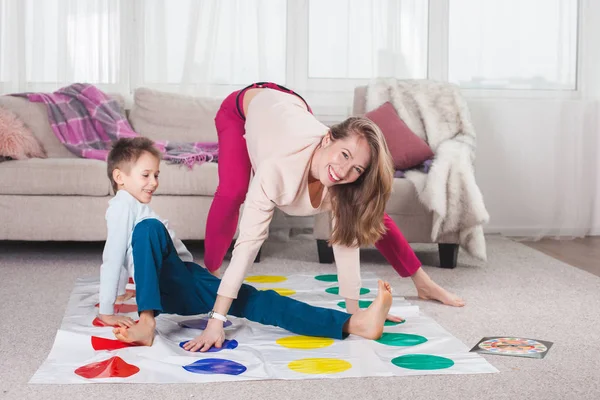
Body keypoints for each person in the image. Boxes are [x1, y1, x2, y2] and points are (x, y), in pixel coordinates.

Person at [197, 82, 465, 351]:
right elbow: (248, 245)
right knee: (233, 192)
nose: (343, 171)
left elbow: (345, 240)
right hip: (243, 107)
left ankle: (424, 283)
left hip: (292, 104)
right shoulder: (275, 171)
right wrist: (216, 319)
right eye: (344, 155)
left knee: (364, 210)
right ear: (328, 139)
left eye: (356, 168)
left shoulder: (341, 172)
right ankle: (210, 272)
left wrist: (356, 311)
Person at [97, 137, 394, 351]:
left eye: (156, 175)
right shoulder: (125, 206)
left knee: (257, 302)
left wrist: (121, 293)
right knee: (258, 301)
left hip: (180, 286)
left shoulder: (133, 209)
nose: (153, 182)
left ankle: (353, 324)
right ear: (119, 177)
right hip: (175, 288)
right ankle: (147, 322)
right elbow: (114, 256)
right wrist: (108, 308)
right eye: (145, 175)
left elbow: (127, 253)